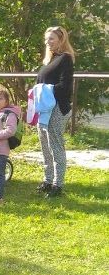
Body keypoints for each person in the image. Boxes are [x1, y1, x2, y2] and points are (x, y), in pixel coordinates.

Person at [36, 26, 75, 198]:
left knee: (56, 145)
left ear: (61, 40)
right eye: (46, 39)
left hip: (58, 108)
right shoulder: (50, 59)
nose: (47, 42)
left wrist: (44, 90)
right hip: (44, 109)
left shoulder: (65, 59)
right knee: (45, 145)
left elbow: (65, 86)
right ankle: (47, 180)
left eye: (51, 39)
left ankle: (58, 185)